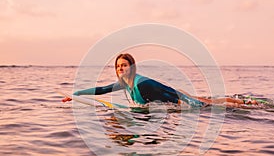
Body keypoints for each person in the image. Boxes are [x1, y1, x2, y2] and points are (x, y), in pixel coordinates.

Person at [62, 53, 205, 107]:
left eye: (124, 65)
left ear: (132, 67)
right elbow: (102, 89)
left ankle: (226, 102)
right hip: (171, 97)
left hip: (180, 100)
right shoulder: (125, 83)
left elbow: (171, 95)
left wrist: (192, 105)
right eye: (118, 66)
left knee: (212, 105)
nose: (120, 68)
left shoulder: (142, 84)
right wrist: (76, 94)